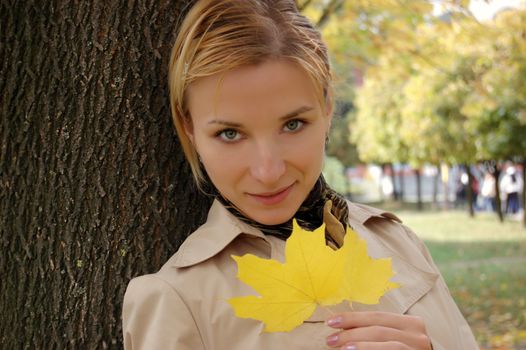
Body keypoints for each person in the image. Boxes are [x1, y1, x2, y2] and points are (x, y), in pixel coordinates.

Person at [122, 1, 478, 349]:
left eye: (293, 124)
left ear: (326, 109)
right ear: (189, 128)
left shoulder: (398, 241)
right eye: (230, 134)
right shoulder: (175, 301)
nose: (268, 171)